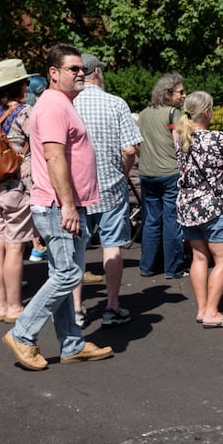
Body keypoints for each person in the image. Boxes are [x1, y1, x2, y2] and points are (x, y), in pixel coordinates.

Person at [2, 44, 113, 370]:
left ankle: (72, 343)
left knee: (66, 274)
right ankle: (22, 334)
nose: (81, 74)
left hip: (65, 204)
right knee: (67, 275)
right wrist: (67, 206)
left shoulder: (63, 103)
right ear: (53, 73)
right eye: (73, 69)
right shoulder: (53, 105)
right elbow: (53, 156)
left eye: (83, 69)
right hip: (57, 206)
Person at [73, 53, 142, 326]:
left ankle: (77, 308)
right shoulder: (115, 103)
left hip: (76, 188)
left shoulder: (68, 104)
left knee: (77, 249)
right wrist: (122, 173)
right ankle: (112, 306)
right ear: (98, 72)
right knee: (112, 246)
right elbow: (129, 149)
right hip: (111, 186)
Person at [175, 91, 223, 327]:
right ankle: (212, 312)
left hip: (187, 206)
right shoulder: (218, 138)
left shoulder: (181, 137)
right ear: (206, 111)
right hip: (214, 206)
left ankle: (203, 308)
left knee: (199, 257)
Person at [0, 60, 35, 323]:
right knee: (14, 247)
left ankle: (0, 304)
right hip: (15, 185)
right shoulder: (25, 112)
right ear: (19, 85)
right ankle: (14, 306)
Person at [137, 74, 187, 279]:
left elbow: (138, 144)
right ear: (167, 94)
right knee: (172, 220)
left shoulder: (144, 113)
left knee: (151, 220)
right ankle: (173, 268)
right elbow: (181, 143)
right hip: (169, 173)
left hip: (147, 173)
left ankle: (147, 266)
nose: (184, 95)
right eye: (180, 92)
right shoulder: (173, 113)